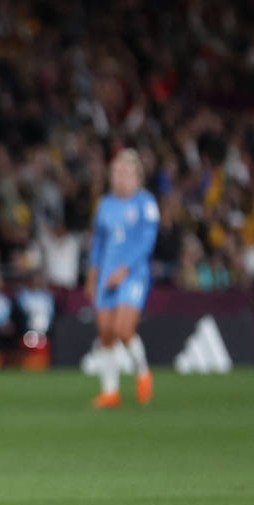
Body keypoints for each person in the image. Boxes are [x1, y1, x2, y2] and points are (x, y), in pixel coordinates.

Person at [85, 148, 159, 408]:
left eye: (125, 172)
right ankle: (110, 392)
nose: (120, 177)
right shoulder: (105, 204)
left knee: (122, 330)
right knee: (105, 333)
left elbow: (147, 243)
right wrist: (92, 275)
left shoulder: (146, 204)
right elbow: (98, 244)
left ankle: (142, 372)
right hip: (106, 275)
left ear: (138, 176)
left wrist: (125, 269)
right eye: (116, 172)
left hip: (133, 275)